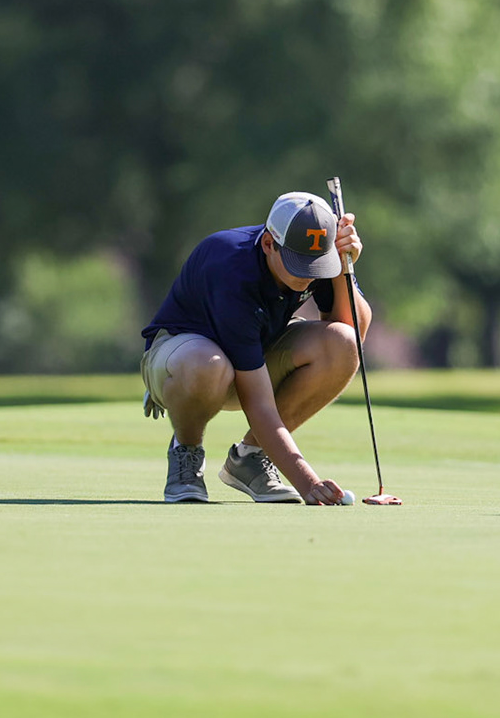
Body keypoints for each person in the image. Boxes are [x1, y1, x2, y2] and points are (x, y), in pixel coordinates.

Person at [140, 191, 369, 505]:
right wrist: (307, 482)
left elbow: (352, 332)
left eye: (316, 263)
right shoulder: (231, 268)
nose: (307, 274)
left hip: (256, 349)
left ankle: (250, 458)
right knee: (207, 364)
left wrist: (343, 267)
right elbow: (258, 404)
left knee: (341, 344)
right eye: (298, 263)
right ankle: (186, 451)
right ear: (268, 244)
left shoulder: (317, 259)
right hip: (181, 358)